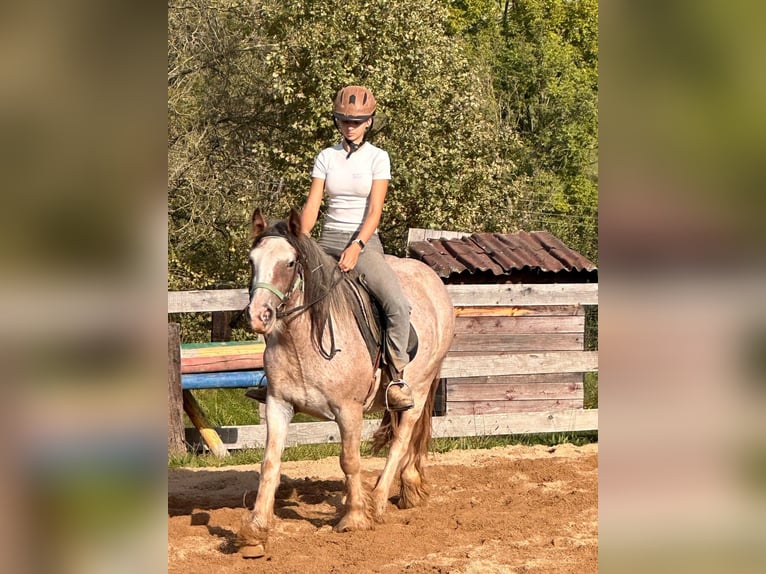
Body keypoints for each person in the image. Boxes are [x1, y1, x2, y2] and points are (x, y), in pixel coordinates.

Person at [299, 85, 414, 411]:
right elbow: (313, 205)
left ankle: (396, 377)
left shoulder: (379, 158)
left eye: (358, 121)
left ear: (369, 122)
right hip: (327, 240)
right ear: (337, 121)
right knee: (287, 291)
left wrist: (357, 246)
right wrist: (302, 239)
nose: (351, 126)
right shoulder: (326, 157)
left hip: (364, 242)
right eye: (345, 120)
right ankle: (282, 375)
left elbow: (375, 210)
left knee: (397, 304)